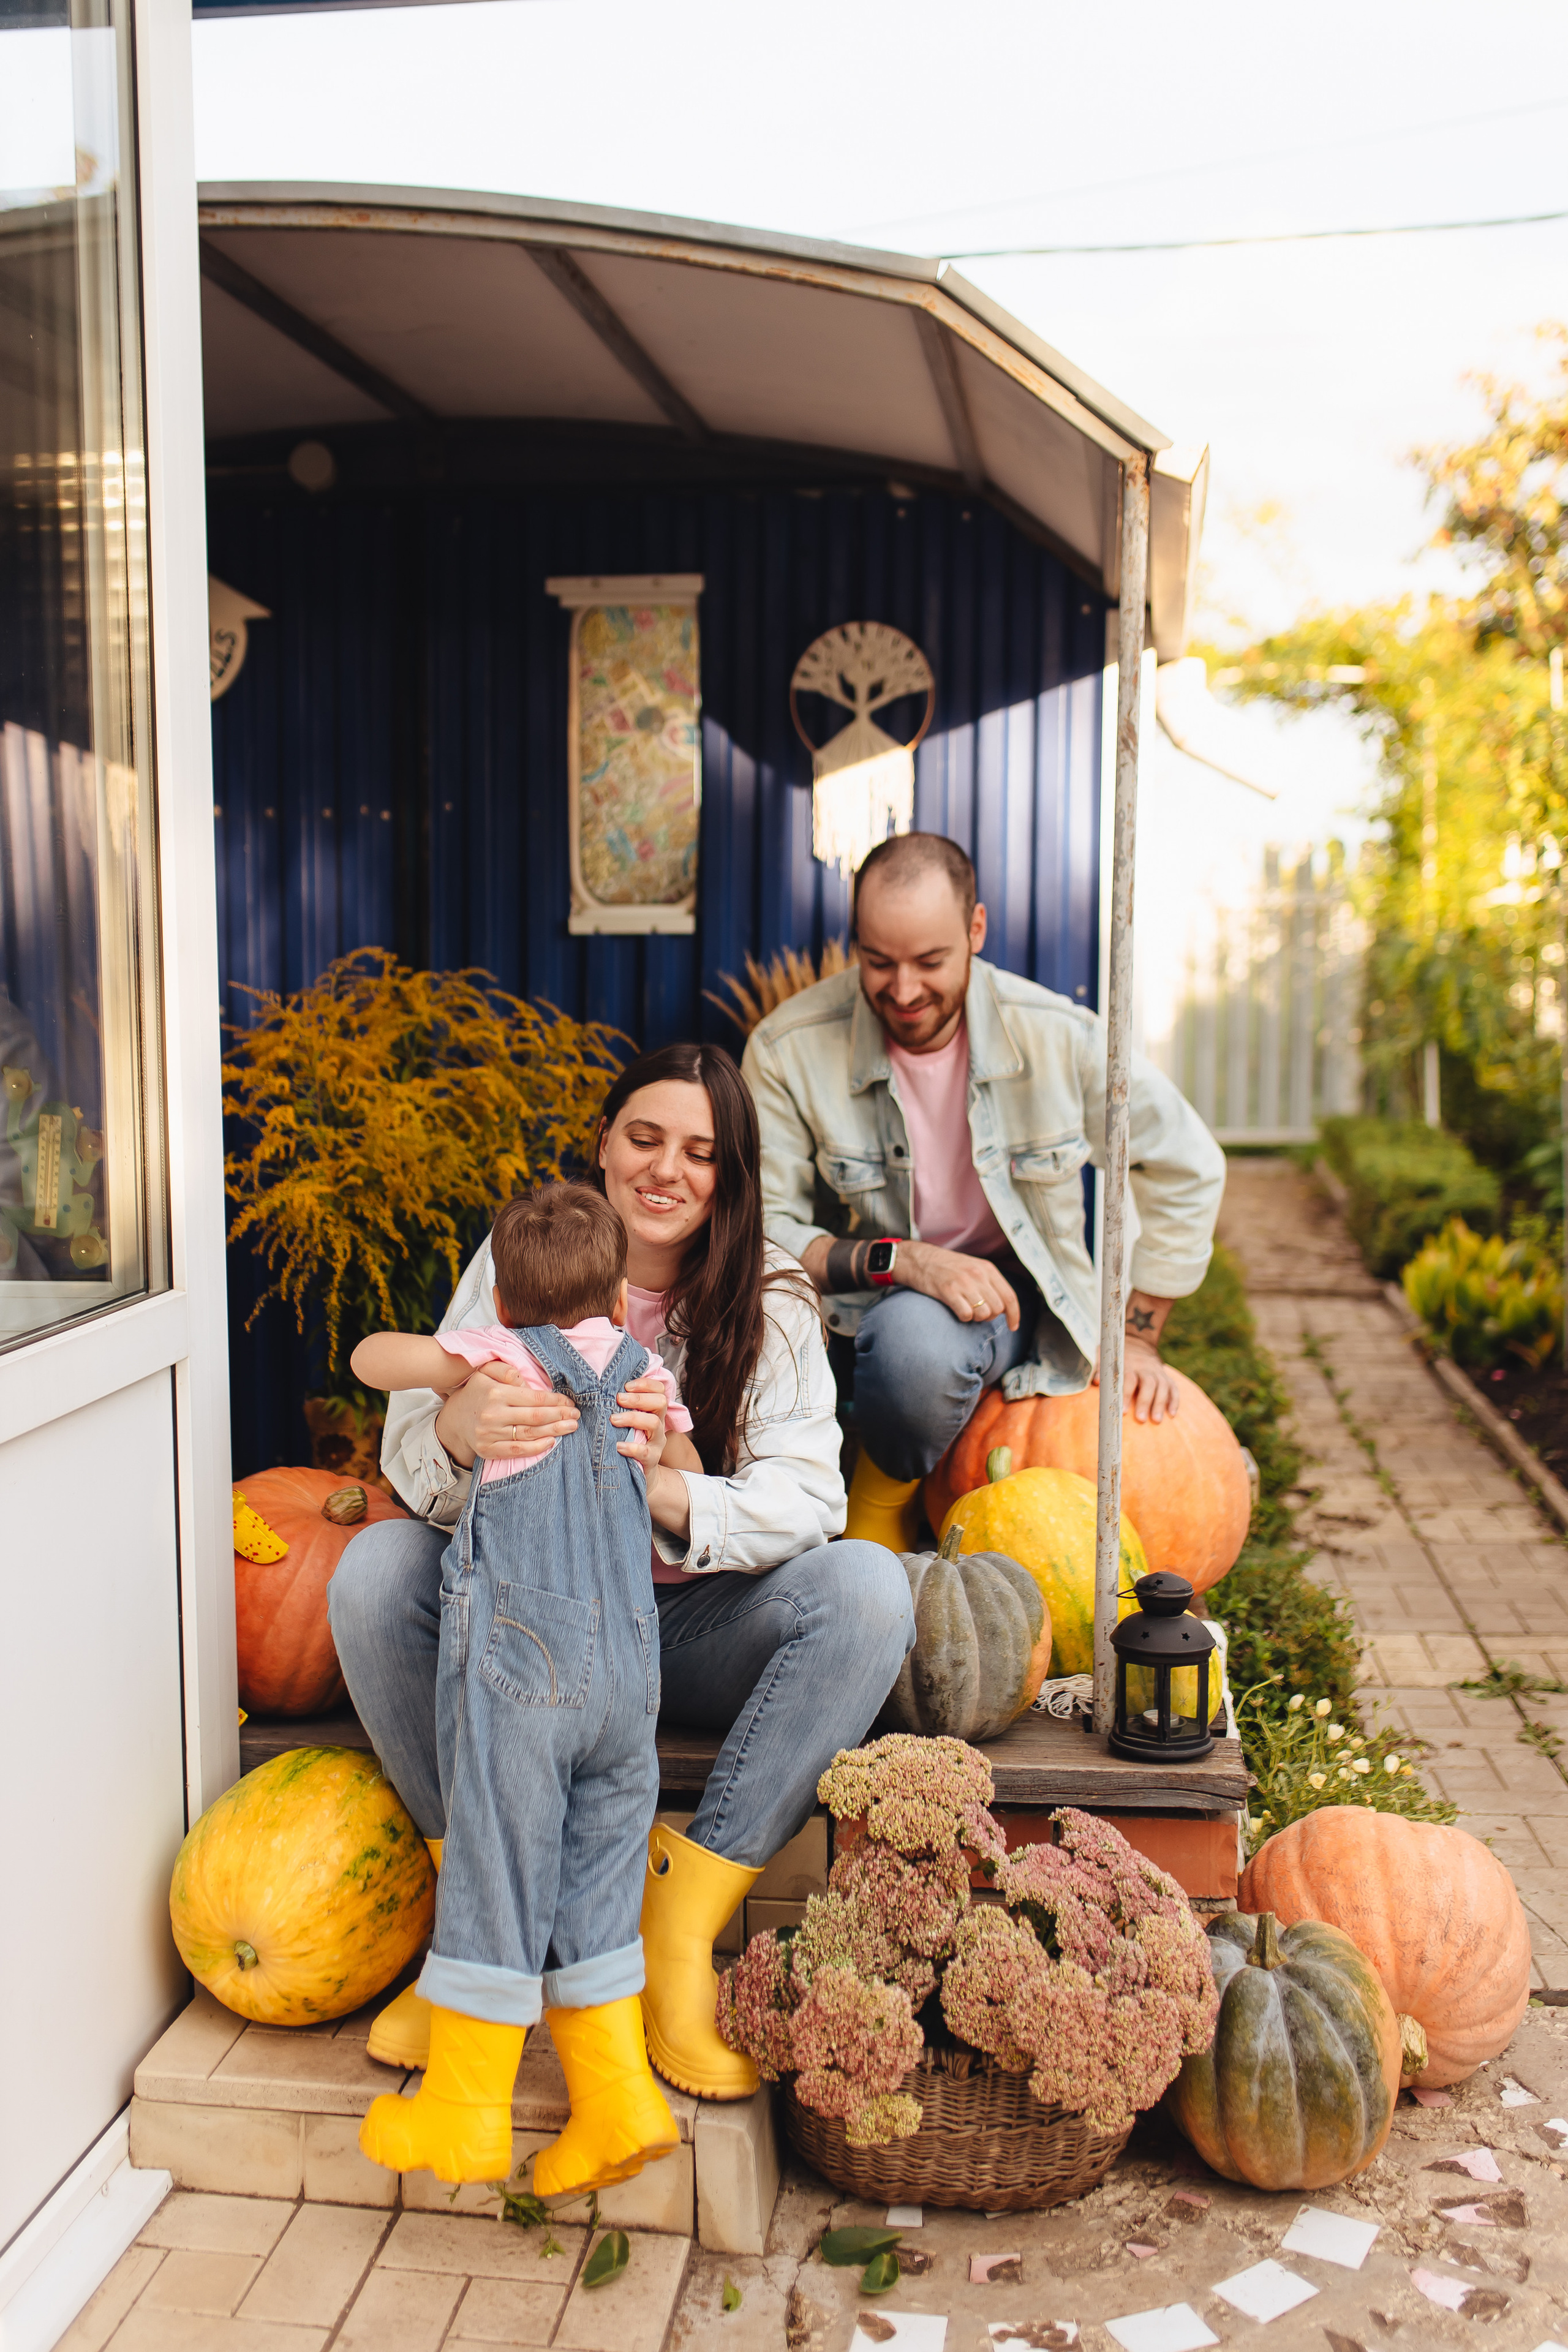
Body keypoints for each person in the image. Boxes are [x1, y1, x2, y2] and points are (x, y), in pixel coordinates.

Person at [328, 1041, 914, 2105]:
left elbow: (812, 1498)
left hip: (682, 1634)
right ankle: (477, 1923)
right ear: (603, 1144)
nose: (666, 1169)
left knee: (870, 1592)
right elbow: (410, 1450)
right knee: (373, 1574)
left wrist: (667, 1494)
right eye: (645, 1137)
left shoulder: (769, 1294)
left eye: (700, 1152)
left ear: (731, 1175)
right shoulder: (519, 1260)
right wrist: (463, 1432)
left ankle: (675, 1931)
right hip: (526, 1623)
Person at [347, 1183, 695, 2190]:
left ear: (497, 1297)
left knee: (496, 1867)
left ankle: (462, 2116)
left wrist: (456, 1361)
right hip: (629, 1681)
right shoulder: (643, 1373)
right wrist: (656, 1441)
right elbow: (675, 1457)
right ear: (623, 1290)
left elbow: (379, 1360)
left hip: (527, 1663)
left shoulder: (501, 1352)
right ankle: (619, 2105)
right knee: (597, 1881)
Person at [741, 832, 1226, 1551]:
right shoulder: (787, 1048)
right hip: (878, 1315)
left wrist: (1137, 1336)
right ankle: (882, 1525)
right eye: (878, 962)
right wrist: (902, 1261)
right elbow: (760, 1230)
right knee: (912, 1345)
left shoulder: (1061, 1037)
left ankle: (878, 1519)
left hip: (1040, 1305)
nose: (902, 991)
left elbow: (1186, 1162)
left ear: (976, 930)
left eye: (929, 961)